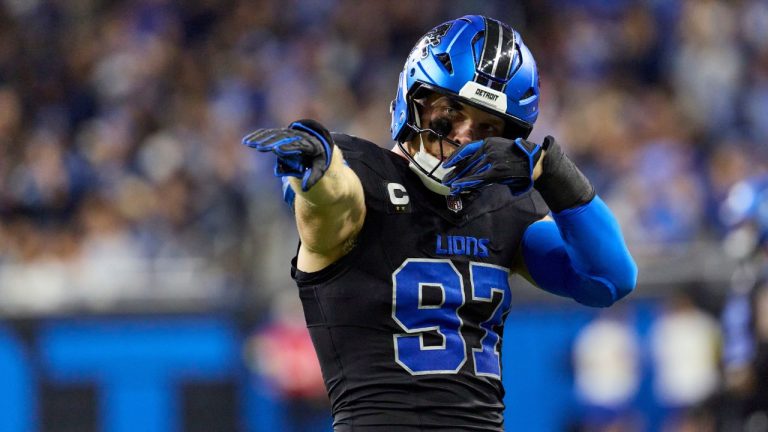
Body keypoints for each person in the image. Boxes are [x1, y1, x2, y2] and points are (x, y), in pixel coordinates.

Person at [243, 15, 637, 431]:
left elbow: (609, 279)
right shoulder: (363, 176)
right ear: (414, 99)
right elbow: (335, 199)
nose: (464, 136)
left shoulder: (503, 208)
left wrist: (550, 171)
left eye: (487, 128)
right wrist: (319, 173)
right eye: (450, 113)